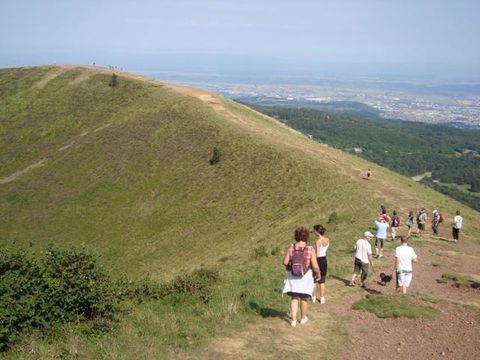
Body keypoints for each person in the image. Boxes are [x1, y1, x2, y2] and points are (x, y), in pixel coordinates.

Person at [282, 227, 320, 327]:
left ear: (296, 236)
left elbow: (285, 262)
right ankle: (303, 318)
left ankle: (293, 321)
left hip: (292, 276)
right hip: (305, 277)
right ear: (306, 237)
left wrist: (288, 269)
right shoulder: (310, 249)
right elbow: (315, 266)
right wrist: (318, 273)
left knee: (294, 298)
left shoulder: (291, 247)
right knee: (303, 298)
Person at [312, 224, 329, 305]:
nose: (313, 232)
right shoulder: (327, 239)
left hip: (318, 260)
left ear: (317, 231)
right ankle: (322, 298)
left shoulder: (318, 241)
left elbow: (317, 254)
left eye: (314, 231)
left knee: (315, 280)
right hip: (324, 260)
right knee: (322, 281)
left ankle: (314, 297)